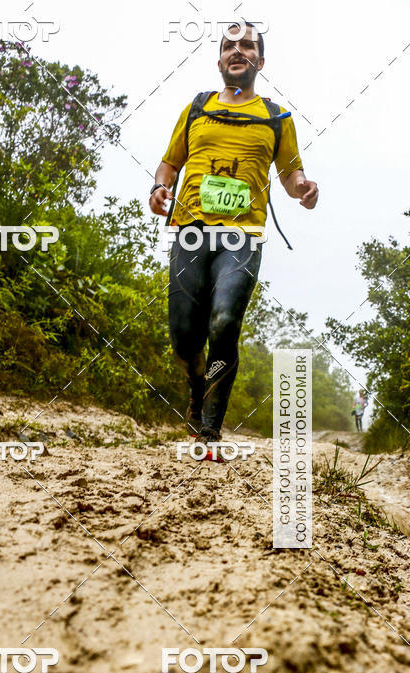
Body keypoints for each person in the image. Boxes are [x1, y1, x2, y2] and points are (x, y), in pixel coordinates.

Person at [149, 21, 318, 446]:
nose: (237, 51)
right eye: (229, 45)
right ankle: (196, 385)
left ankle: (210, 426)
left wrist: (304, 189)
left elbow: (291, 174)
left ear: (260, 60)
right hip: (190, 230)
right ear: (220, 59)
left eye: (247, 45)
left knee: (224, 320)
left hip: (242, 236)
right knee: (183, 337)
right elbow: (169, 163)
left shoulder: (277, 117)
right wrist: (158, 187)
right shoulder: (197, 107)